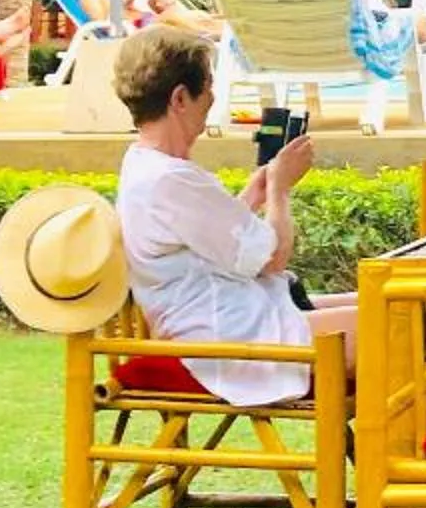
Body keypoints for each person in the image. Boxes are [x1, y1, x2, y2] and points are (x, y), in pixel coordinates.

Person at [111, 27, 354, 403]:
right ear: (180, 98)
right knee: (411, 323)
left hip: (238, 320)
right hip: (230, 342)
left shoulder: (145, 165)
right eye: (208, 88)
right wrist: (280, 189)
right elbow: (272, 258)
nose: (212, 99)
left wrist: (254, 195)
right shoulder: (171, 179)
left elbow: (212, 245)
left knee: (400, 307)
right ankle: (402, 437)